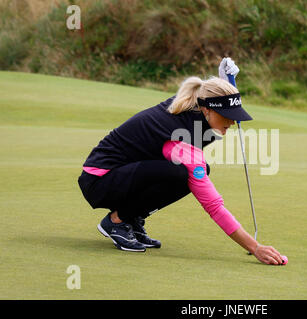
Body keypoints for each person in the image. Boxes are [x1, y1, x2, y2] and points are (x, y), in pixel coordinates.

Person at [78, 58, 284, 265]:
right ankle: (117, 221)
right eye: (227, 115)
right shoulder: (182, 138)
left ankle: (131, 217)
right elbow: (213, 205)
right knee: (180, 173)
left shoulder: (192, 104)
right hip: (100, 181)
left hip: (123, 174)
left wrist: (226, 82)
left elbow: (209, 96)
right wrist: (254, 247)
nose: (232, 121)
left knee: (195, 170)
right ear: (207, 111)